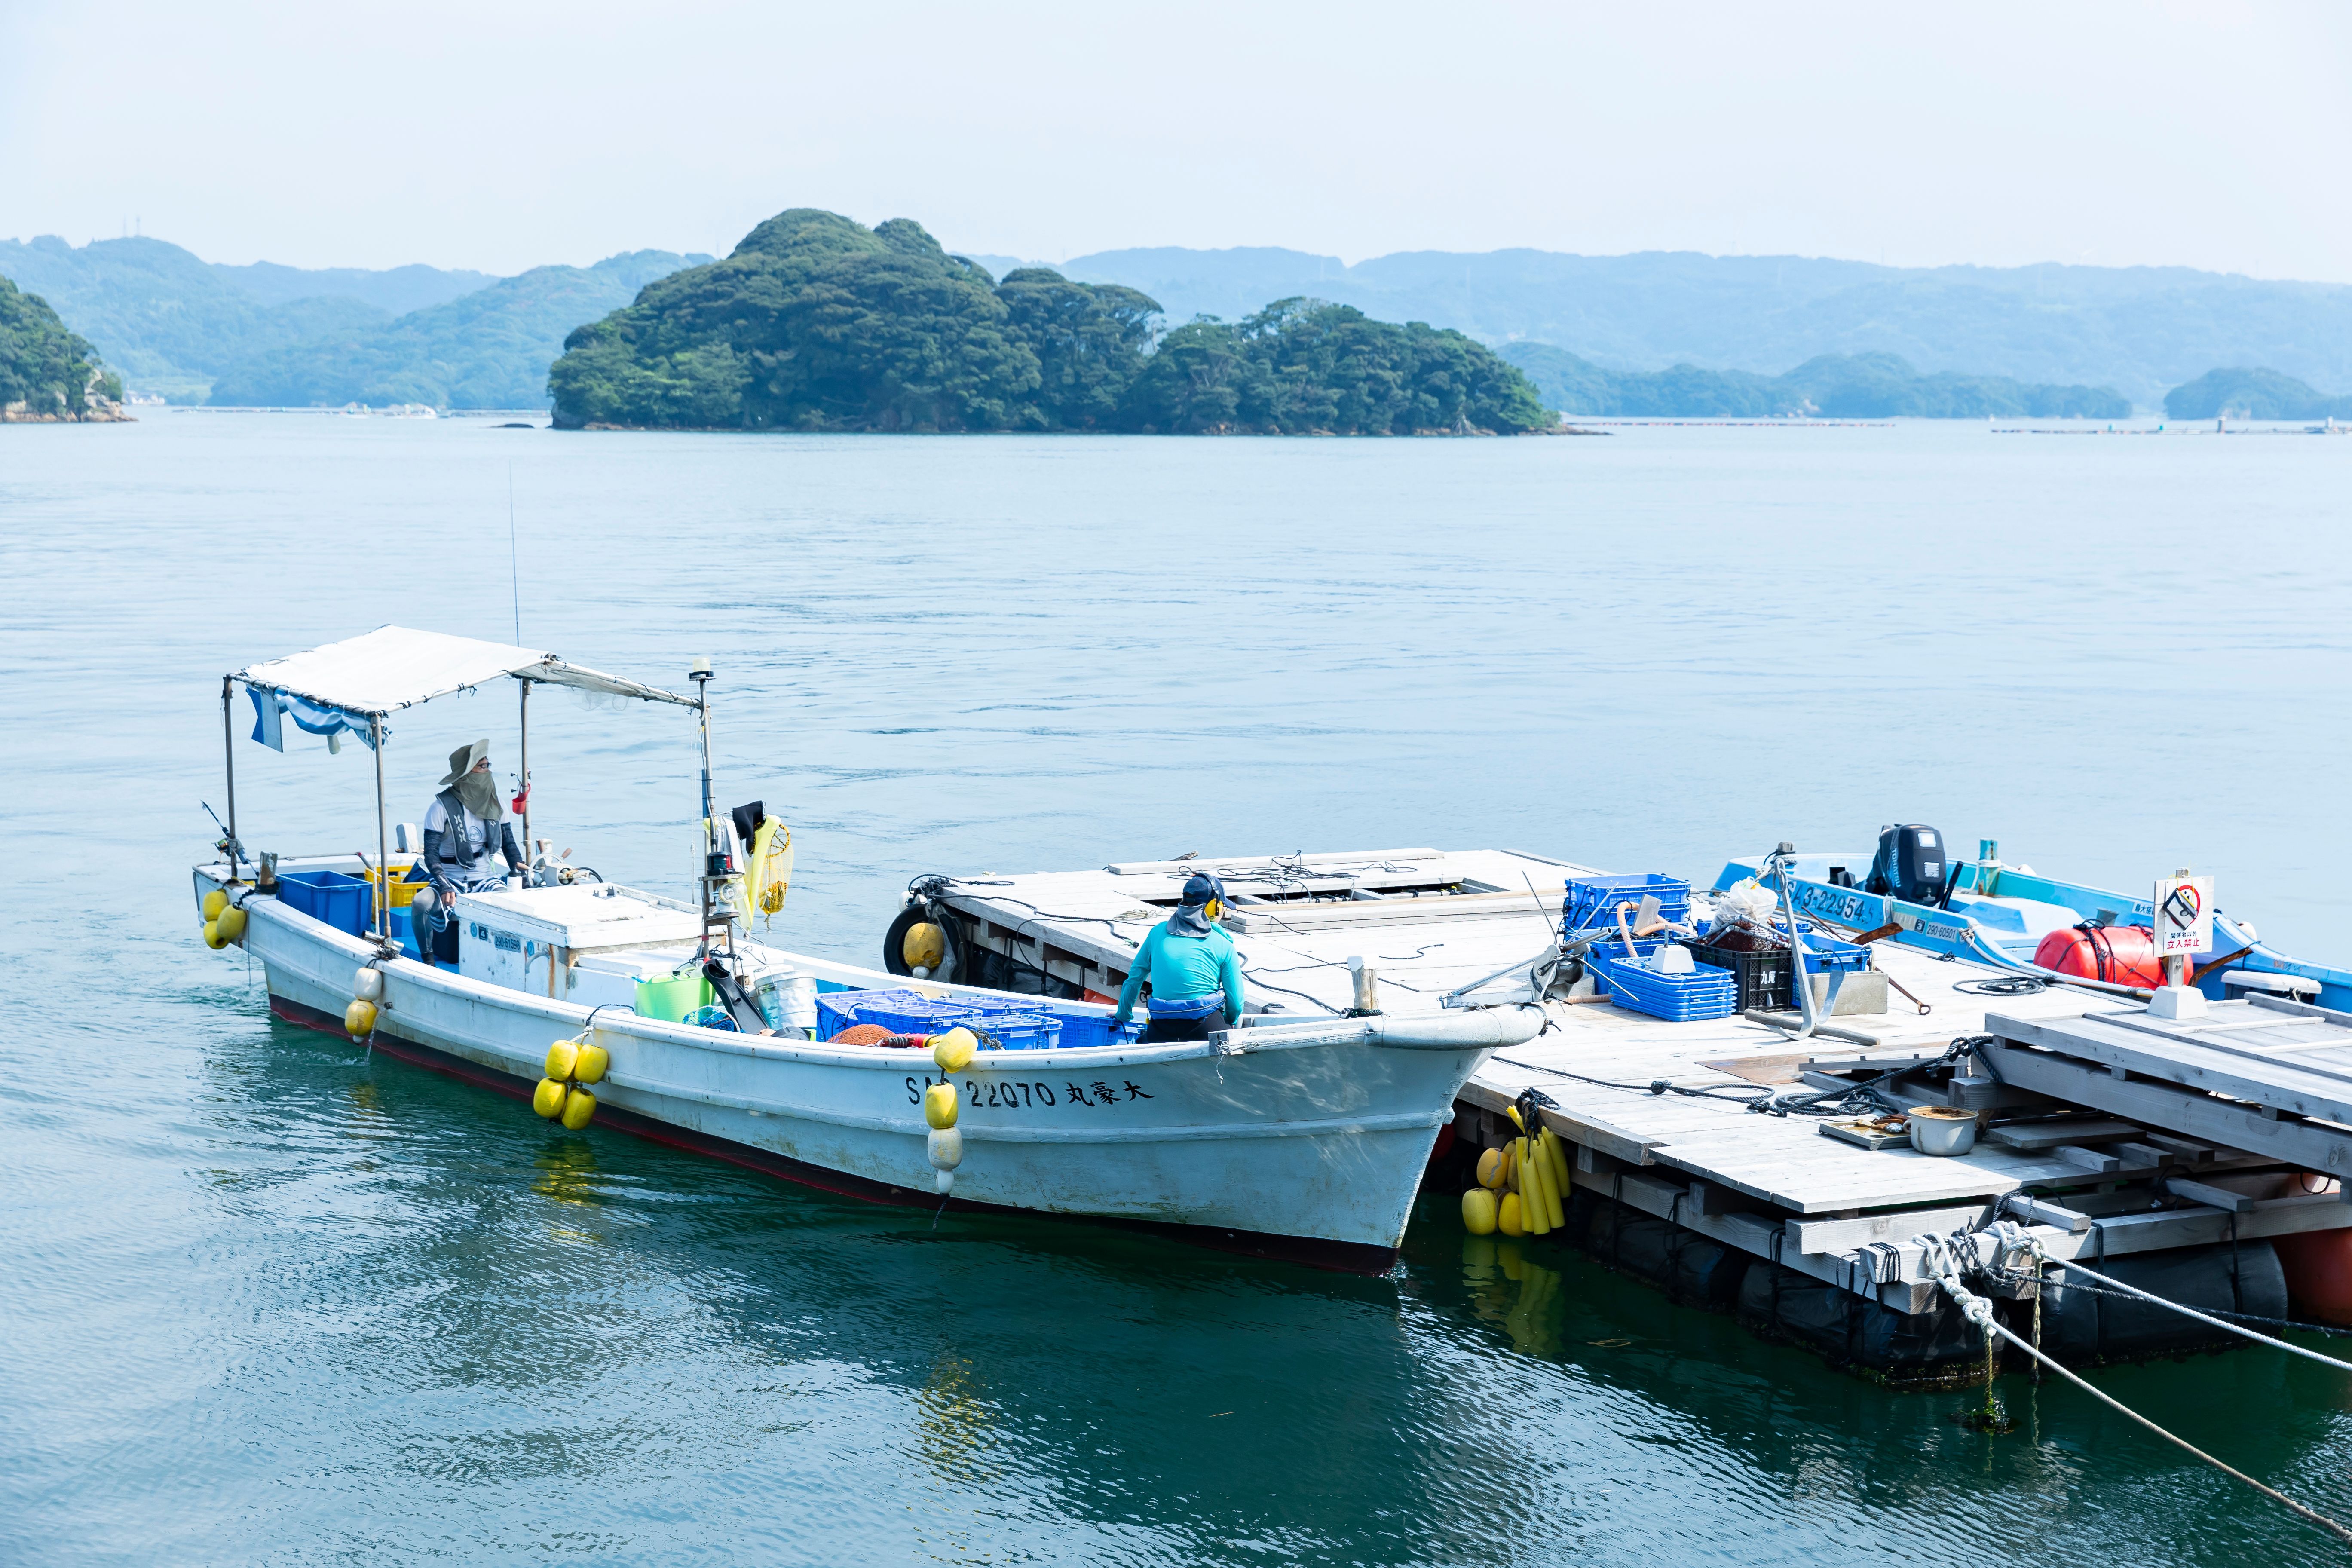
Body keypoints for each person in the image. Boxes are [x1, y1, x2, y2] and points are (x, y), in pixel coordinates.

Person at [415, 739, 523, 965]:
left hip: (485, 879)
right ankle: (428, 959)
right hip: (450, 879)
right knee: (420, 904)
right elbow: (431, 854)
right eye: (482, 767)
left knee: (513, 908)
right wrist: (444, 884)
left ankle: (502, 962)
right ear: (466, 775)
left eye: (488, 765)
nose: (488, 771)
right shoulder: (440, 807)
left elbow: (509, 844)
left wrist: (518, 865)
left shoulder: (497, 804)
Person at [1113, 873, 1246, 1042]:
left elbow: (1135, 978)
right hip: (1206, 1027)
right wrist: (1230, 1022)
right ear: (1215, 908)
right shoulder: (1224, 945)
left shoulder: (1157, 933)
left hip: (1161, 1030)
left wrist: (1123, 1015)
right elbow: (1236, 1004)